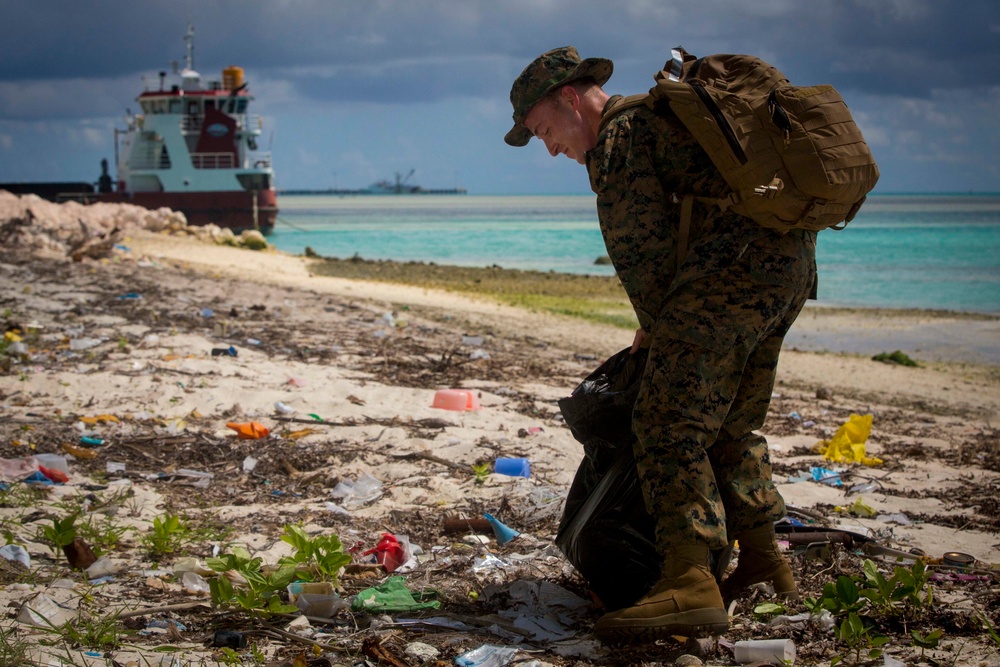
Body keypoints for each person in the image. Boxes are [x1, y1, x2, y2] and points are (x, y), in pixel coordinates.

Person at [505, 46, 816, 642]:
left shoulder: (620, 138)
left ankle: (689, 581)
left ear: (571, 99)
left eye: (545, 130)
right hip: (787, 268)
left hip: (728, 279)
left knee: (667, 422)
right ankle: (765, 561)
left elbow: (639, 248)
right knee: (730, 422)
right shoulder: (660, 116)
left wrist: (653, 329)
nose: (550, 148)